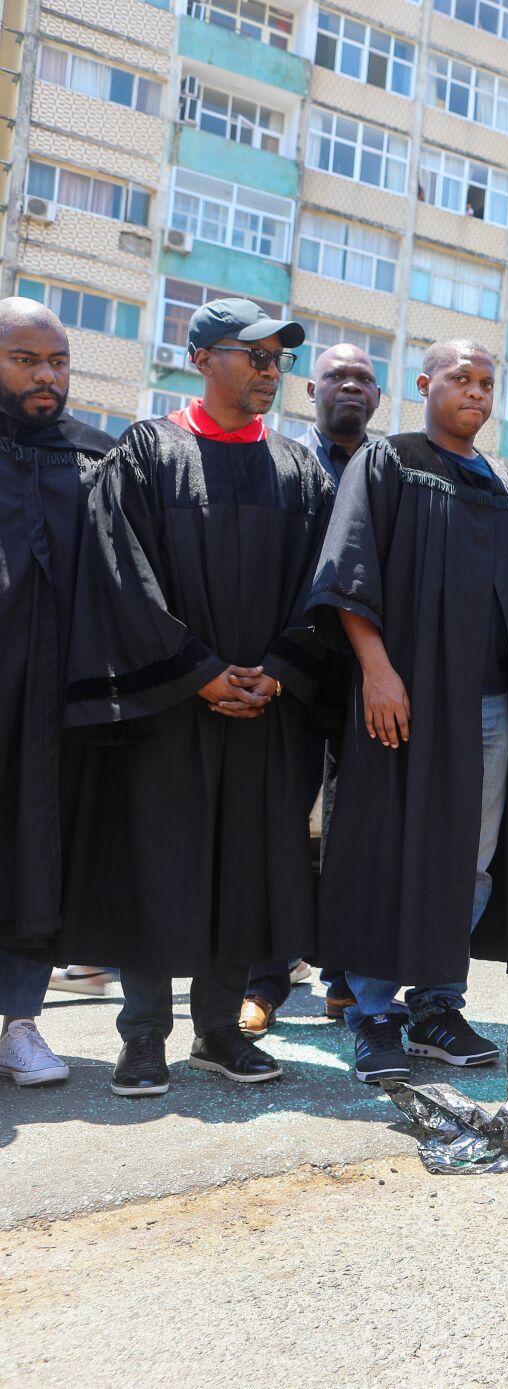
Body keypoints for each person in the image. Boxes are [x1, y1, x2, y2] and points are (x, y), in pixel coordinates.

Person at [61, 298, 332, 1097]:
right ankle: (143, 1036)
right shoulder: (146, 453)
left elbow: (324, 582)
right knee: (158, 865)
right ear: (202, 357)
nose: (270, 367)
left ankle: (219, 1030)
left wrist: (279, 667)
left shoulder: (300, 469)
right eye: (253, 354)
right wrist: (198, 669)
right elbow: (120, 577)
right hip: (168, 707)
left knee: (241, 867)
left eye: (278, 356)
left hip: (265, 707)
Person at [309, 341, 508, 1083]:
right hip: (407, 698)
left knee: (470, 860)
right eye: (461, 379)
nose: (476, 392)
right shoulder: (387, 462)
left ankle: (438, 1004)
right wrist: (376, 671)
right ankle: (375, 1012)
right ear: (425, 384)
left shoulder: (507, 485)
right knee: (389, 848)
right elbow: (349, 572)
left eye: (487, 381)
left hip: (489, 703)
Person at [239, 342, 379, 1035]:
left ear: (379, 396)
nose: (350, 387)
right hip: (293, 678)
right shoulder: (282, 465)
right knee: (280, 828)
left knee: (358, 832)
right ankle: (263, 980)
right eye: (336, 377)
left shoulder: (391, 471)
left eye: (363, 378)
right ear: (312, 390)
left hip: (367, 682)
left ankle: (346, 979)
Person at [0, 299, 114, 1087]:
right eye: (26, 359)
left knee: (37, 855)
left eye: (59, 360)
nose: (47, 376)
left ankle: (20, 1022)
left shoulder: (96, 459)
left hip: (55, 705)